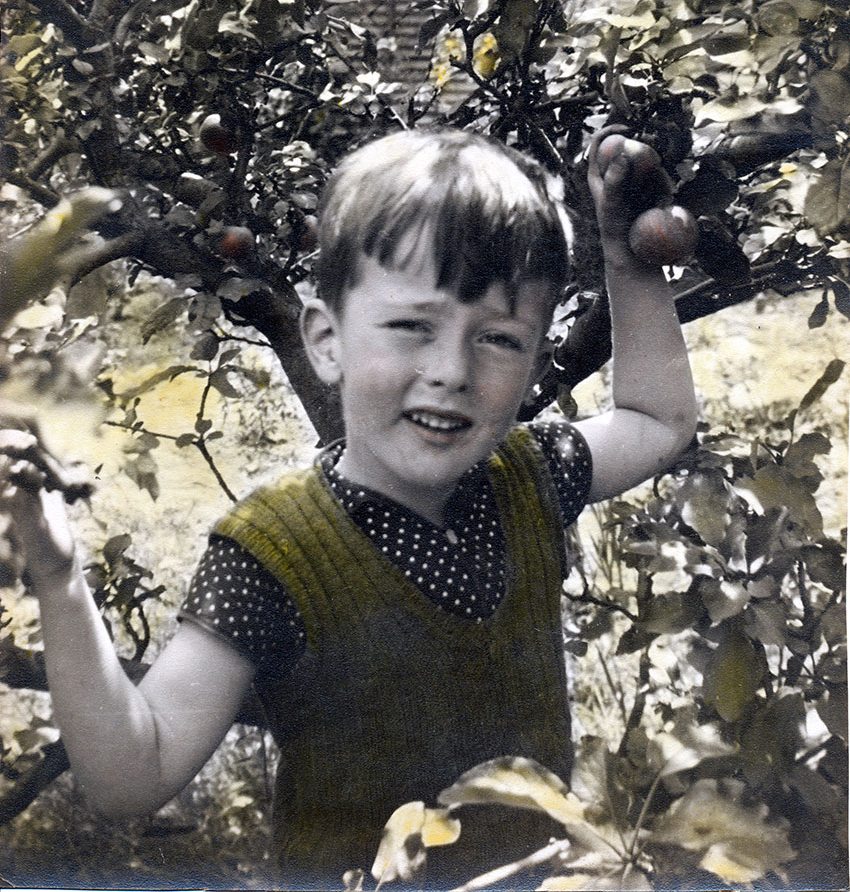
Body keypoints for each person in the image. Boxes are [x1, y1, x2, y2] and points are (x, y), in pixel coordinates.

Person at [1, 127, 697, 890]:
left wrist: (628, 257)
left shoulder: (530, 476)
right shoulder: (275, 552)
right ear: (326, 340)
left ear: (537, 357)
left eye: (499, 338)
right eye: (411, 327)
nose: (451, 370)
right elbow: (134, 774)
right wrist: (61, 576)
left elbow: (657, 422)